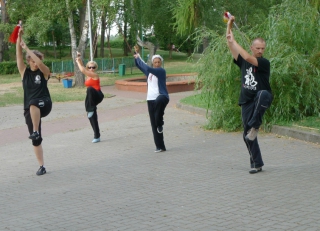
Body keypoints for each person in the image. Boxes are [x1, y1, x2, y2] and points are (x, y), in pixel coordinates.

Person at [226, 16, 273, 174]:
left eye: (262, 48)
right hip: (246, 100)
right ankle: (256, 163)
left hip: (262, 98)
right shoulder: (243, 62)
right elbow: (230, 43)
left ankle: (255, 125)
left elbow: (246, 56)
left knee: (262, 94)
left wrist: (236, 43)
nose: (260, 51)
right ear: (252, 48)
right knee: (247, 135)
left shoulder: (264, 63)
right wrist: (229, 26)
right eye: (258, 48)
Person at [16, 27, 52, 176]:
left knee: (33, 102)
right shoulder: (24, 73)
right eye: (33, 61)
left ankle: (36, 131)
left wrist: (28, 49)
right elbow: (18, 56)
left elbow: (40, 63)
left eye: (38, 60)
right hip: (29, 109)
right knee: (35, 140)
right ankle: (42, 166)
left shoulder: (44, 72)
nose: (36, 63)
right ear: (28, 61)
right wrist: (19, 39)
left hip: (44, 103)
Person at [133, 45, 169, 153]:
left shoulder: (161, 71)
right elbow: (140, 66)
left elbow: (147, 67)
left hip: (161, 96)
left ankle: (160, 123)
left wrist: (139, 57)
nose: (157, 64)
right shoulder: (149, 73)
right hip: (150, 100)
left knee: (158, 113)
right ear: (153, 63)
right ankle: (160, 146)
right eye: (155, 62)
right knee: (154, 124)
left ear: (161, 63)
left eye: (158, 62)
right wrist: (136, 56)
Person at [75, 54, 104, 143]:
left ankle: (90, 109)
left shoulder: (95, 75)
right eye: (90, 67)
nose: (92, 69)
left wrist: (77, 62)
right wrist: (79, 59)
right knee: (92, 116)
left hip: (97, 95)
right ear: (88, 67)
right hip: (91, 98)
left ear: (95, 68)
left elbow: (82, 69)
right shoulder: (88, 76)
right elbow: (83, 67)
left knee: (90, 89)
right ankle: (97, 136)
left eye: (93, 67)